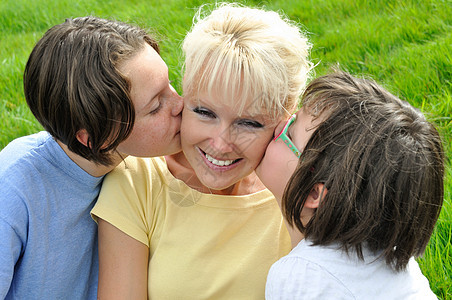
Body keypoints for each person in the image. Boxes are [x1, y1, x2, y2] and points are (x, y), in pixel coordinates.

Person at [91, 3, 313, 299]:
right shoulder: (137, 180)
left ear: (286, 121)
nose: (220, 145)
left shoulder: (306, 194)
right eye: (205, 112)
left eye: (249, 123)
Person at [0, 16, 183, 299]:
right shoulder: (13, 188)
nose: (180, 103)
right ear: (98, 138)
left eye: (170, 84)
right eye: (157, 105)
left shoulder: (144, 167)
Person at [256, 71, 444, 299]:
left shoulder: (301, 276)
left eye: (290, 132)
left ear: (313, 193)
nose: (278, 126)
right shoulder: (392, 260)